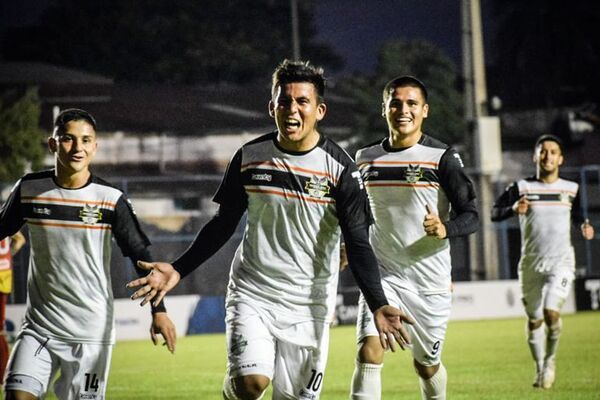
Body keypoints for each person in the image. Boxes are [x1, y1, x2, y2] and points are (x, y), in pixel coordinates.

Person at [127, 59, 414, 400]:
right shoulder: (250, 157)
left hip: (310, 304)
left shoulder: (342, 170)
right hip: (254, 292)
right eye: (284, 100)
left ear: (319, 110)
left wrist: (378, 303)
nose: (292, 109)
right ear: (272, 106)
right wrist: (177, 268)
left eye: (302, 102)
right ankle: (236, 389)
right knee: (252, 383)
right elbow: (222, 225)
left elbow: (358, 244)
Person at [0, 108, 177, 400]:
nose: (77, 148)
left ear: (95, 146)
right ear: (53, 144)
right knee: (17, 396)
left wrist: (159, 312)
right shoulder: (29, 190)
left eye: (85, 140)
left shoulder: (110, 200)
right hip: (38, 328)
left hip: (91, 332)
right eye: (68, 139)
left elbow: (140, 255)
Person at [349, 76, 479, 400]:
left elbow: (472, 215)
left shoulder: (442, 158)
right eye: (395, 102)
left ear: (424, 110)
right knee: (369, 351)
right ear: (384, 109)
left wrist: (446, 228)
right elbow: (359, 215)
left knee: (426, 366)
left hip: (429, 283)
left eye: (411, 104)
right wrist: (345, 244)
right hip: (384, 275)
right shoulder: (365, 159)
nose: (402, 109)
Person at [491, 134, 594, 390]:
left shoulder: (570, 189)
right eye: (543, 151)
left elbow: (579, 215)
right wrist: (512, 209)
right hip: (530, 264)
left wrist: (584, 225)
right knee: (535, 319)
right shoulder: (522, 187)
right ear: (535, 157)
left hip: (561, 262)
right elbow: (494, 213)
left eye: (553, 151)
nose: (548, 156)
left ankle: (550, 361)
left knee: (551, 312)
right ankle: (539, 366)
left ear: (561, 158)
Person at [0, 231, 26, 383]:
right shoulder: (5, 217)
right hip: (4, 277)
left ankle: (4, 373)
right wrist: (9, 256)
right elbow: (20, 239)